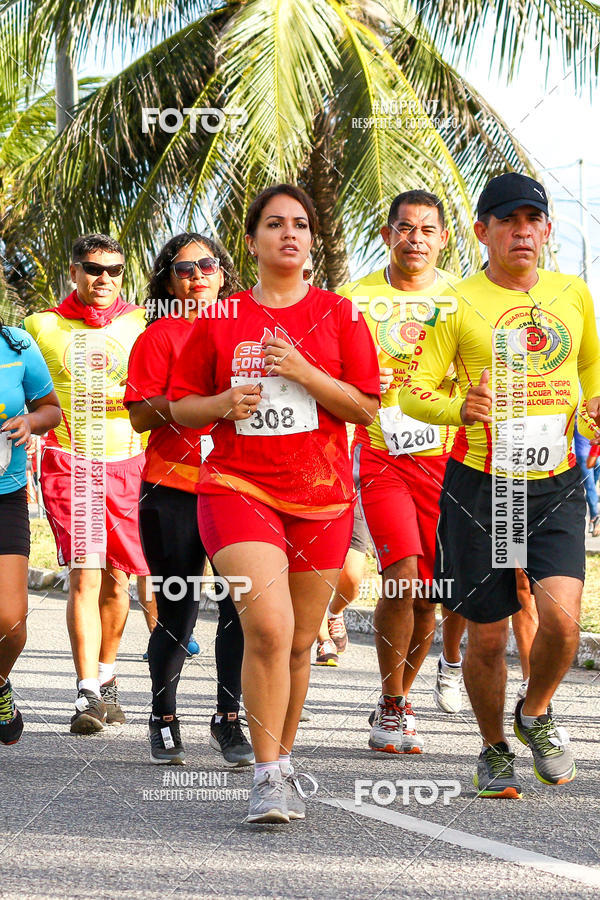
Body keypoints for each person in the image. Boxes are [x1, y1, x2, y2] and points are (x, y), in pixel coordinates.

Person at [169, 184, 380, 823]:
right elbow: (179, 407)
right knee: (269, 627)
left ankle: (281, 762)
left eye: (300, 225)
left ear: (312, 241)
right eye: (274, 224)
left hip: (321, 496)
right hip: (238, 488)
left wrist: (305, 372)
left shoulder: (341, 316)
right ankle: (265, 774)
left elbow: (366, 409)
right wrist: (221, 406)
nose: (289, 234)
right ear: (253, 240)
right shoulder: (220, 318)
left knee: (299, 641)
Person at [399, 172, 600, 796]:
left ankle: (534, 711)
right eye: (507, 221)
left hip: (555, 481)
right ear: (482, 231)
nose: (521, 231)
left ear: (546, 230)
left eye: (531, 220)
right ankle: (492, 749)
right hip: (483, 485)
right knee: (487, 635)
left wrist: (594, 404)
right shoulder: (456, 303)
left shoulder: (573, 293)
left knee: (562, 622)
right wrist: (457, 409)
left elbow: (591, 367)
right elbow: (410, 389)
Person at [337, 189, 461, 753]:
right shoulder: (356, 299)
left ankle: (399, 701)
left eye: (427, 229)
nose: (415, 238)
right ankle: (392, 702)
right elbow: (329, 374)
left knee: (431, 594)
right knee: (403, 576)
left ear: (441, 239)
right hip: (382, 455)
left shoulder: (461, 301)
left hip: (446, 458)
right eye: (405, 228)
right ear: (387, 236)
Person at [125, 232, 252, 766]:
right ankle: (164, 716)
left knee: (239, 609)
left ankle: (228, 719)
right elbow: (137, 416)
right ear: (169, 280)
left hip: (240, 487)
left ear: (223, 272)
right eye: (184, 269)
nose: (197, 275)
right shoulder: (159, 336)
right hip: (173, 489)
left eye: (208, 265)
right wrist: (195, 404)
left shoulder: (251, 330)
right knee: (177, 609)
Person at [23, 234, 149, 734]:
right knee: (86, 573)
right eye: (93, 269)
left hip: (130, 463)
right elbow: (25, 391)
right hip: (71, 464)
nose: (104, 279)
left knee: (119, 579)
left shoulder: (141, 322)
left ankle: (108, 674)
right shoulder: (40, 326)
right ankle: (86, 692)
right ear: (73, 271)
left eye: (114, 270)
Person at [0, 321, 61, 744]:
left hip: (6, 495)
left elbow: (51, 409)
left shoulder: (16, 344)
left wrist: (29, 421)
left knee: (10, 622)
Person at [315, 506, 368, 666]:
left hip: (352, 499)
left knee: (353, 581)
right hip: (313, 500)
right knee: (317, 575)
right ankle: (324, 641)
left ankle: (334, 612)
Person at [574, 421, 600, 535]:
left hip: (585, 456)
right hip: (596, 454)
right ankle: (593, 519)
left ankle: (595, 518)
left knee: (590, 488)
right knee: (592, 487)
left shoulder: (576, 419)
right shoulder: (593, 414)